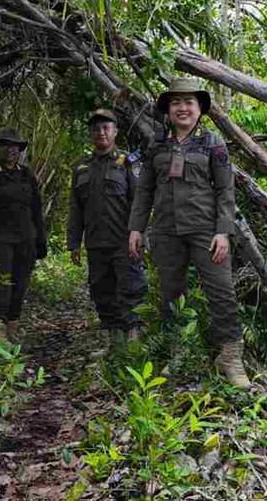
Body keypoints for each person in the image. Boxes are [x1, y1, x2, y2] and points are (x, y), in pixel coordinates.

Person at [128, 77, 251, 388]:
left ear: (200, 108)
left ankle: (230, 356)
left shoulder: (213, 144)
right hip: (166, 231)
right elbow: (144, 190)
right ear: (168, 109)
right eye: (176, 102)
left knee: (221, 292)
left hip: (206, 231)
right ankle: (177, 352)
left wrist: (224, 232)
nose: (182, 108)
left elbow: (226, 191)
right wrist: (136, 228)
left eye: (189, 102)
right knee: (171, 294)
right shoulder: (157, 144)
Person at [67, 109, 148, 356]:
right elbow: (75, 208)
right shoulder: (81, 167)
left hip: (125, 242)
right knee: (102, 292)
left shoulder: (128, 162)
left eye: (106, 128)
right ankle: (115, 345)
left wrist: (141, 234)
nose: (101, 133)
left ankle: (134, 344)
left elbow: (140, 201)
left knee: (131, 290)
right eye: (96, 129)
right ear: (90, 133)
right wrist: (73, 243)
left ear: (115, 131)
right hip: (95, 242)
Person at [0, 128, 47, 342]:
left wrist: (41, 240)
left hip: (26, 240)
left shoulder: (27, 175)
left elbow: (36, 209)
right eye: (6, 145)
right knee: (1, 286)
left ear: (20, 150)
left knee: (20, 285)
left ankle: (13, 328)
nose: (11, 150)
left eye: (15, 146)